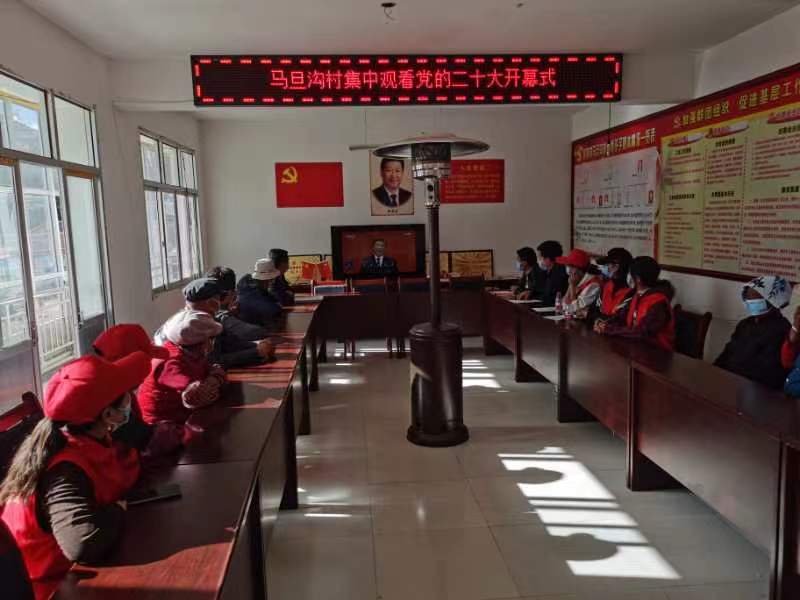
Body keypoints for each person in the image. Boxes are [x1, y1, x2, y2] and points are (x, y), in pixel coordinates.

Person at [0, 352, 150, 587]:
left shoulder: (86, 439)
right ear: (108, 414)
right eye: (126, 397)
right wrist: (117, 510)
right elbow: (83, 543)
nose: (131, 399)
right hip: (55, 587)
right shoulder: (64, 470)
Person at [137, 309, 225, 425]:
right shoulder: (169, 362)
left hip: (180, 416)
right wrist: (214, 381)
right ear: (205, 342)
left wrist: (214, 378)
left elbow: (214, 369)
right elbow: (195, 392)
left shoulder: (191, 353)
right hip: (161, 426)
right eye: (211, 339)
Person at [714, 276, 792, 390]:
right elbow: (727, 352)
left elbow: (766, 373)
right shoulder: (745, 324)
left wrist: (730, 381)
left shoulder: (782, 330)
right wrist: (713, 372)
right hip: (729, 382)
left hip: (757, 390)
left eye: (755, 300)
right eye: (748, 298)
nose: (750, 302)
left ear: (773, 302)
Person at [595, 256, 675, 351]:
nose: (628, 276)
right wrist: (604, 324)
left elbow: (642, 332)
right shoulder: (638, 295)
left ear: (638, 279)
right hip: (636, 347)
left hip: (657, 352)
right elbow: (621, 316)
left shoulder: (658, 303)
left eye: (630, 273)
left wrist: (609, 329)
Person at [205, 266, 275, 368]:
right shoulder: (211, 320)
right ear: (232, 293)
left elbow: (229, 344)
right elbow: (214, 361)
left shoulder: (214, 315)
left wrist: (256, 346)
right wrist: (256, 351)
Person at [556, 248, 602, 318]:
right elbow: (564, 306)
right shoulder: (577, 280)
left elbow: (576, 309)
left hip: (585, 323)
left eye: (571, 267)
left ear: (579, 270)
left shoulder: (594, 285)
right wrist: (570, 285)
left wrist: (572, 286)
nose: (569, 270)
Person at [236, 259, 283, 326]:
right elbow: (275, 310)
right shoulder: (253, 294)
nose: (272, 282)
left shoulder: (248, 286)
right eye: (272, 279)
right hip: (253, 329)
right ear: (267, 280)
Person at [593, 247, 634, 322]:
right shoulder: (607, 285)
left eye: (607, 264)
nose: (606, 268)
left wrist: (601, 321)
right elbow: (594, 311)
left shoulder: (630, 292)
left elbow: (619, 319)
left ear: (616, 267)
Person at [532, 240, 568, 306]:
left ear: (547, 258)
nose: (538, 260)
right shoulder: (546, 271)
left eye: (540, 257)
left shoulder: (560, 272)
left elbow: (551, 297)